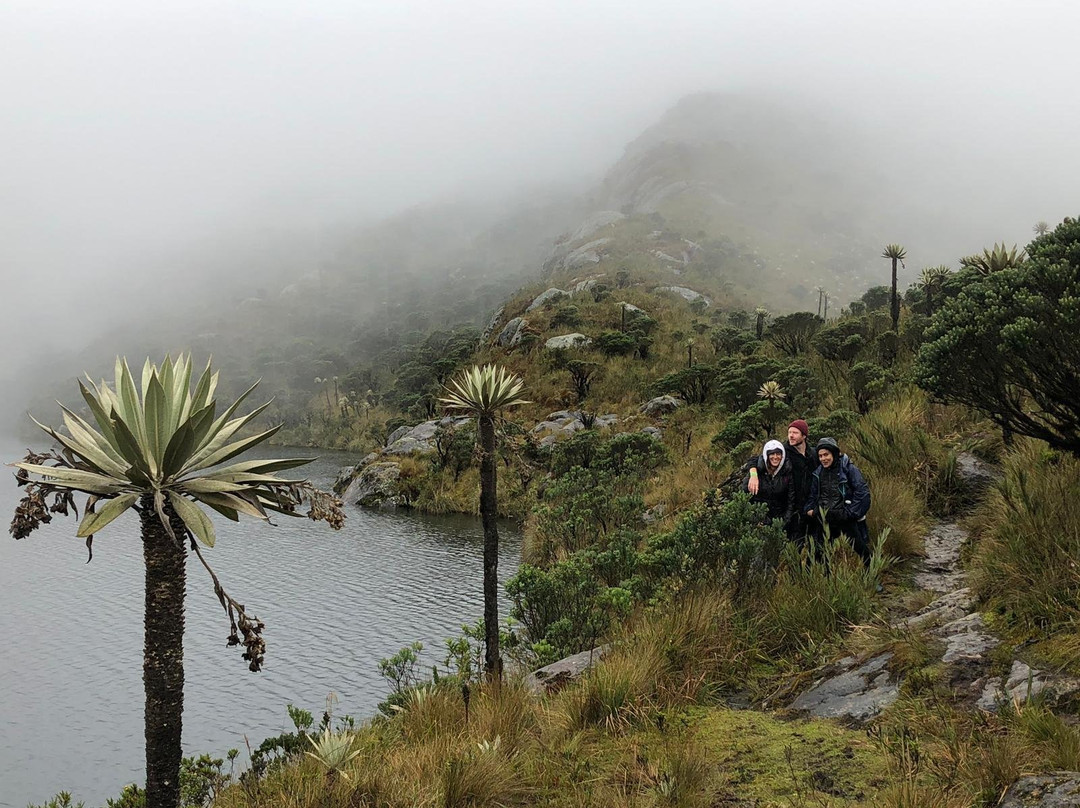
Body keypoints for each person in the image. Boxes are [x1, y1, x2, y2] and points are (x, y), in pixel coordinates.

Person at [804, 436, 872, 564]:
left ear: (834, 453)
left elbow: (862, 493)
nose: (823, 459)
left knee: (862, 551)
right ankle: (818, 580)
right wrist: (812, 511)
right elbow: (812, 496)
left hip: (846, 520)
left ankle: (874, 580)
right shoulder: (818, 473)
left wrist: (849, 513)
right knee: (816, 554)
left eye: (826, 455)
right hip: (826, 519)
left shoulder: (848, 469)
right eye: (820, 456)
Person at [749, 419, 818, 540]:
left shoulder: (812, 454)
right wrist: (753, 475)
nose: (791, 435)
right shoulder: (783, 451)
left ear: (804, 435)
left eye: (795, 433)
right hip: (792, 509)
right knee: (794, 545)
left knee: (816, 544)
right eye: (789, 432)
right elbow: (758, 460)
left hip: (810, 507)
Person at [742, 439, 795, 525]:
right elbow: (745, 498)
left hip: (779, 521)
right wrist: (755, 519)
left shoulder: (786, 472)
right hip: (758, 520)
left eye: (778, 454)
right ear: (767, 455)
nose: (775, 457)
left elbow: (790, 500)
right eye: (772, 454)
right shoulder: (758, 472)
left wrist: (784, 522)